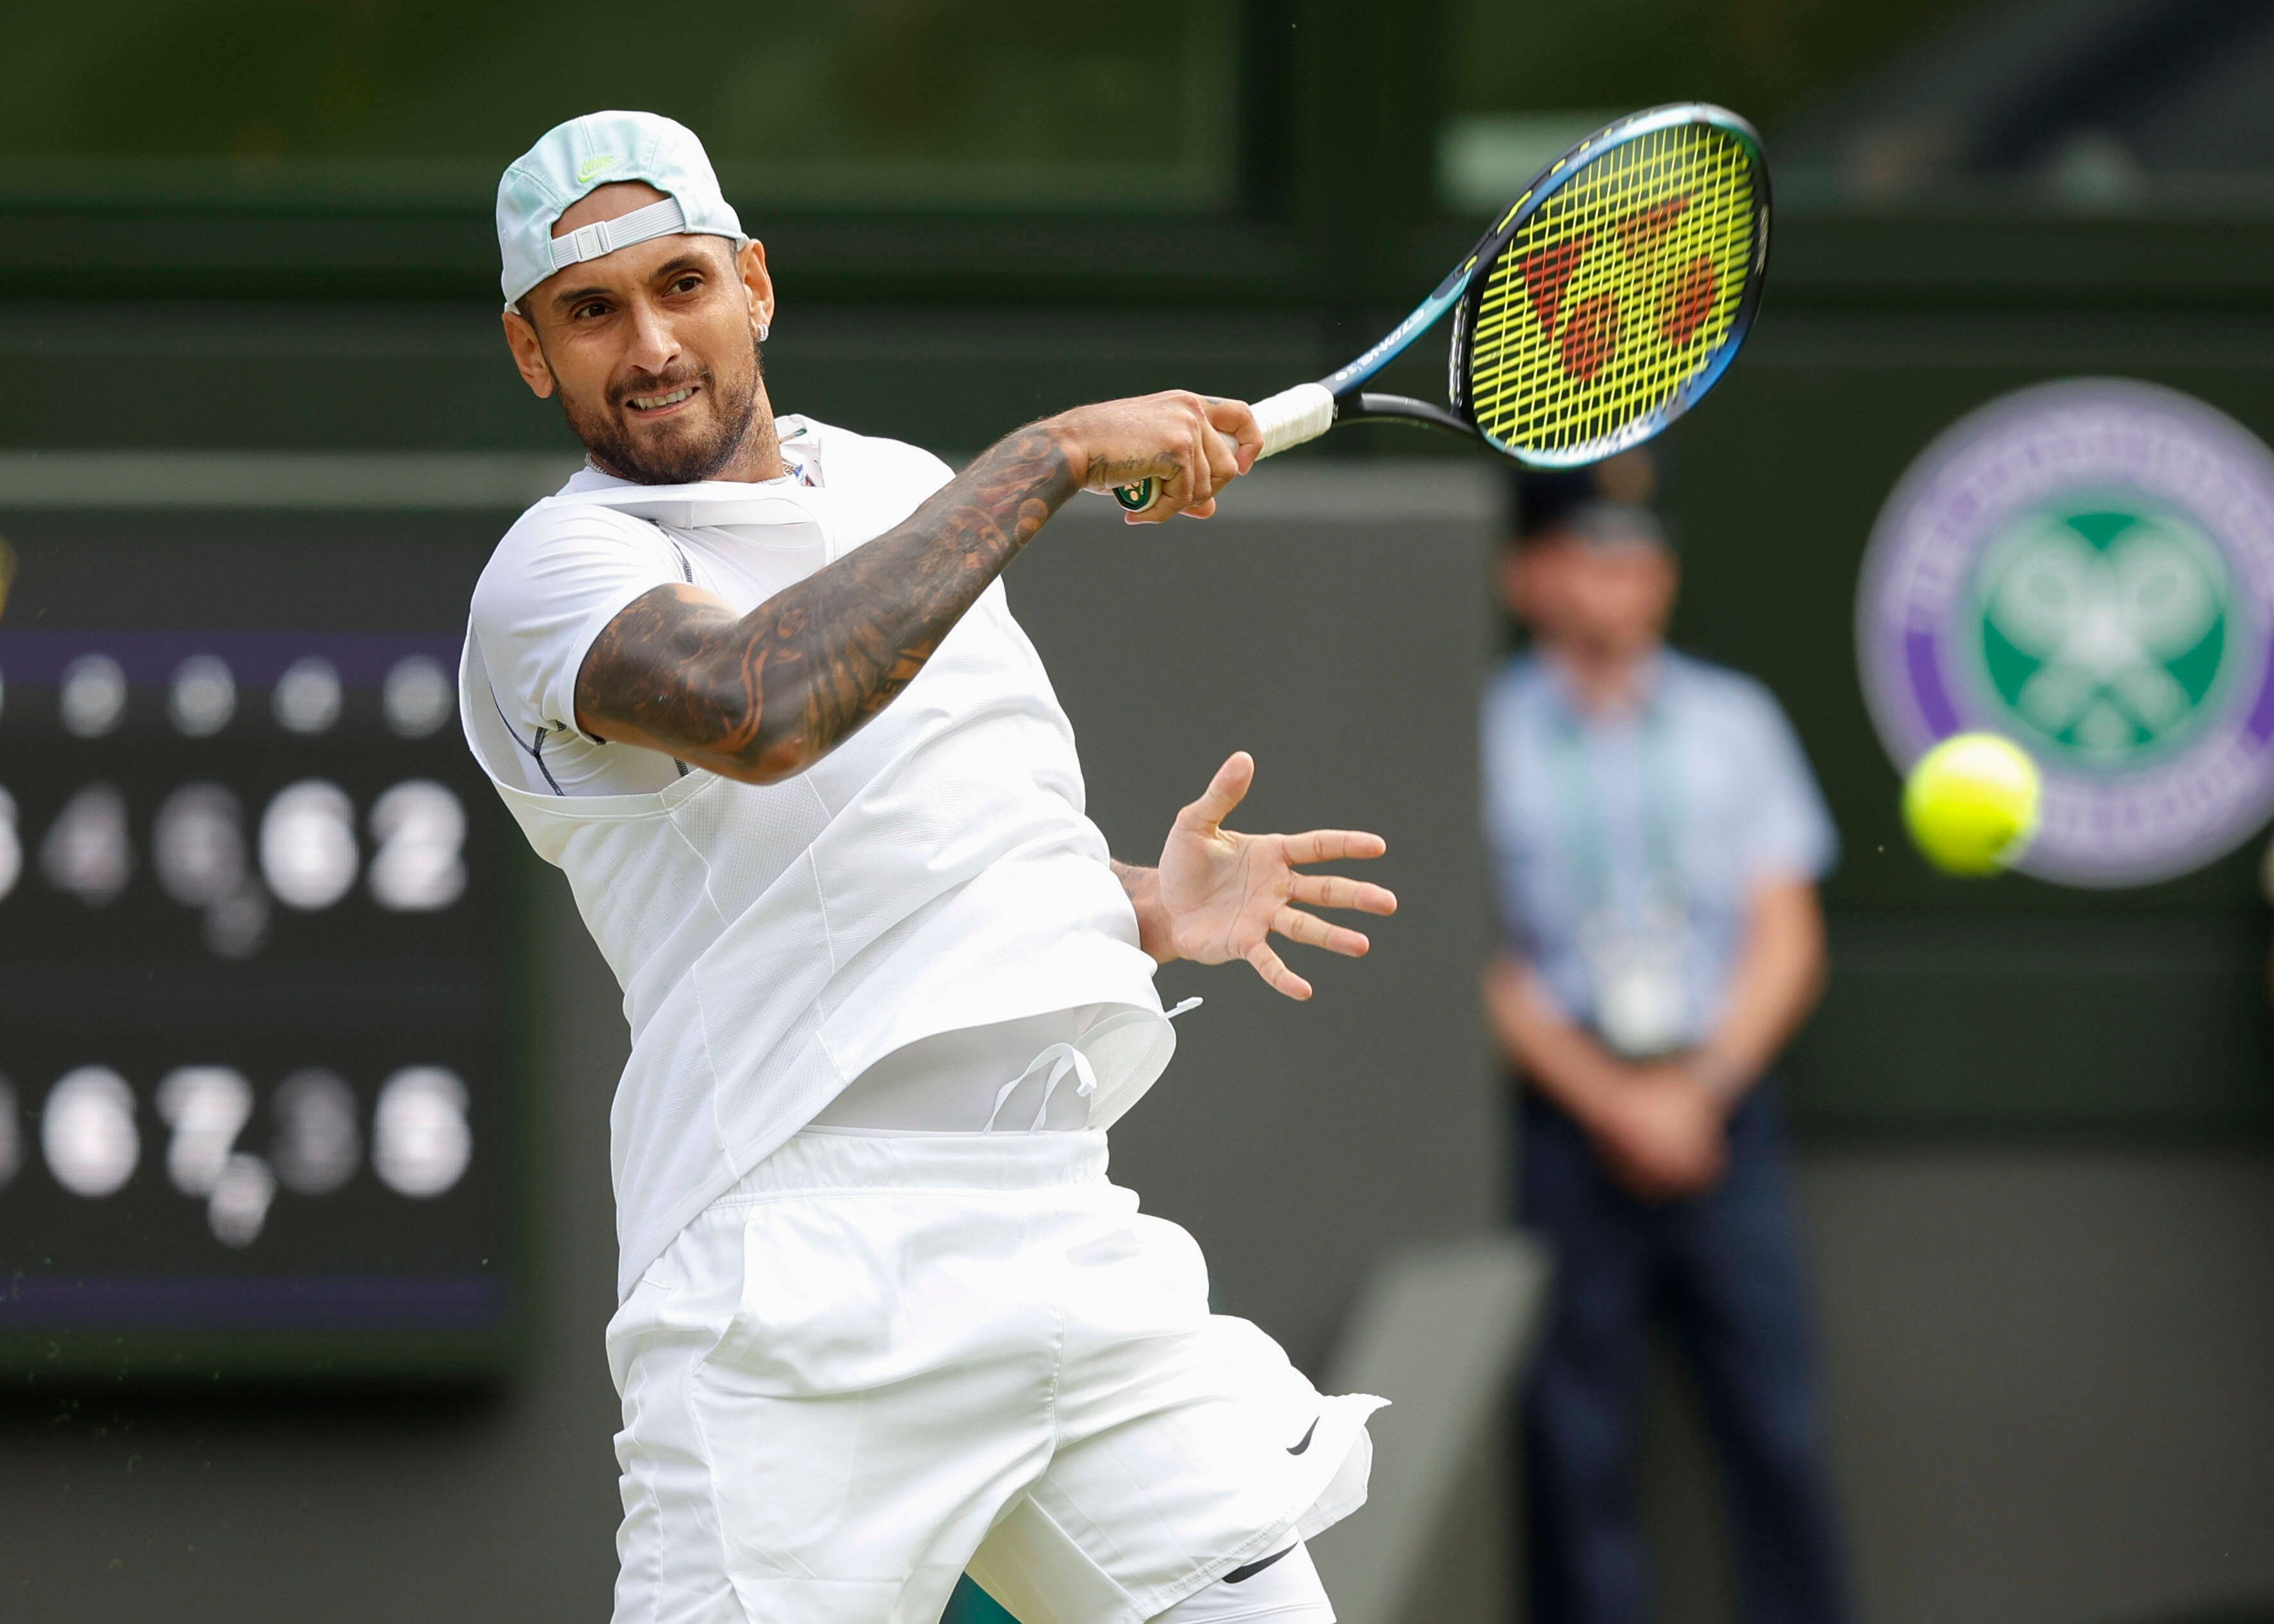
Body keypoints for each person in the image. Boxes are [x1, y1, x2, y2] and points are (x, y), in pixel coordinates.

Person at [461, 111, 1397, 1624]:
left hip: (1056, 1225)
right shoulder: (552, 578)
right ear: (531, 352)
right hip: (790, 1287)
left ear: (754, 286)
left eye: (681, 284)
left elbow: (889, 850)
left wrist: (1138, 904)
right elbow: (764, 711)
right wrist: (1054, 453)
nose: (647, 343)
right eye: (590, 311)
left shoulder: (901, 485)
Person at [1479, 490, 1849, 1624]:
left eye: (1641, 561)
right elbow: (1474, 954)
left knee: (1779, 1429)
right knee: (1576, 1444)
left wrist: (1696, 1091)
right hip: (1564, 1125)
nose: (1620, 582)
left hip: (1720, 1114)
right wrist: (1611, 1100)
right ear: (1527, 579)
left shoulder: (1735, 722)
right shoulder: (1479, 726)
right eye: (1589, 560)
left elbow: (1788, 932)